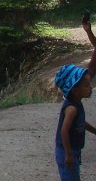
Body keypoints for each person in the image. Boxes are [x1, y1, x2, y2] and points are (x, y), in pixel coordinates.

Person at [54, 17, 96, 181]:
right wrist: (69, 154)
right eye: (87, 85)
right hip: (68, 151)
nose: (91, 87)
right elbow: (64, 130)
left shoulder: (77, 104)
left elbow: (80, 122)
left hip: (73, 151)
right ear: (75, 90)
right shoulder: (72, 108)